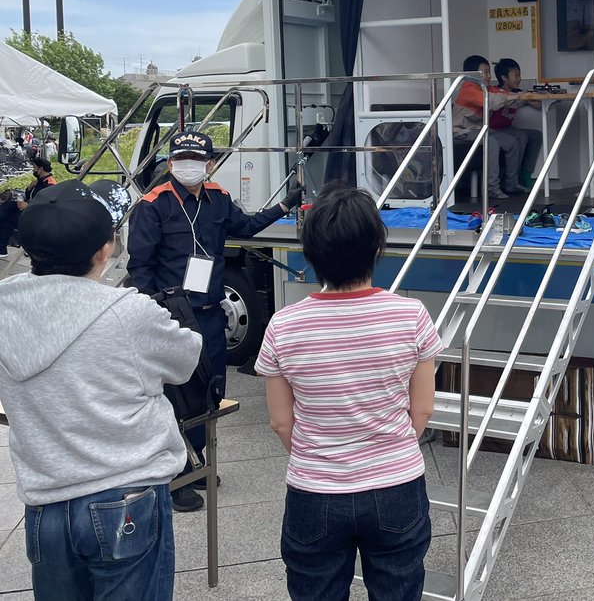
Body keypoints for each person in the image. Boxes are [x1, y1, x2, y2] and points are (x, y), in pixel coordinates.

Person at [0, 180, 202, 600]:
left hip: (45, 503)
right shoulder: (128, 311)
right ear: (104, 250)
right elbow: (186, 360)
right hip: (126, 496)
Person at [256, 185, 442, 601]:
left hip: (314, 491)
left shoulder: (283, 325)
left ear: (311, 251)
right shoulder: (411, 315)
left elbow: (281, 422)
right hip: (396, 485)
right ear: (376, 246)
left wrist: (319, 456)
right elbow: (423, 410)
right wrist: (389, 448)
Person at [127, 130, 302, 513]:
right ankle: (174, 475)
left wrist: (285, 205)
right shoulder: (153, 205)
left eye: (196, 159)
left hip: (210, 314)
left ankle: (196, 460)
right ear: (170, 162)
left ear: (209, 164)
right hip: (172, 317)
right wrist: (152, 316)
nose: (187, 165)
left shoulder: (218, 198)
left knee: (210, 391)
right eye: (180, 158)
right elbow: (140, 270)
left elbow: (247, 227)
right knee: (176, 395)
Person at [452, 55, 522, 199]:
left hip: (481, 130)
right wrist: (516, 96)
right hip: (462, 131)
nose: (489, 76)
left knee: (512, 142)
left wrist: (522, 95)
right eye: (485, 72)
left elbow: (504, 95)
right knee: (492, 143)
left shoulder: (486, 88)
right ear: (472, 74)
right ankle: (491, 188)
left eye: (489, 72)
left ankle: (512, 184)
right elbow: (492, 102)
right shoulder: (468, 88)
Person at [492, 58, 543, 191]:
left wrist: (528, 97)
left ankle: (526, 173)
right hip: (493, 129)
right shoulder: (495, 93)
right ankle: (512, 181)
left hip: (506, 128)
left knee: (536, 135)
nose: (519, 79)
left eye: (519, 75)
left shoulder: (517, 93)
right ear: (504, 78)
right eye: (515, 75)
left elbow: (539, 105)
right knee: (520, 136)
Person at [0, 156, 57, 258]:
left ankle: (2, 249)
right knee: (7, 206)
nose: (33, 170)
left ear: (41, 169)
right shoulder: (39, 181)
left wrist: (28, 206)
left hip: (36, 214)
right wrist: (29, 188)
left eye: (34, 168)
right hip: (28, 207)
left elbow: (46, 204)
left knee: (9, 220)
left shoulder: (50, 184)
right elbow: (30, 196)